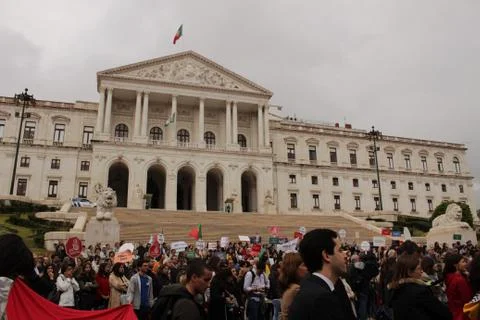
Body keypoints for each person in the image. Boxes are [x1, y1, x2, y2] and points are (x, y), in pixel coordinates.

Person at [289, 228, 347, 320]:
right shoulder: (322, 299)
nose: (345, 254)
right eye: (340, 250)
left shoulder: (309, 287)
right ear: (326, 255)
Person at [389, 253, 451, 320]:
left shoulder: (395, 288)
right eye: (419, 269)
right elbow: (441, 311)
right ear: (409, 272)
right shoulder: (420, 291)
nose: (421, 271)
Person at [279, 252, 308, 320]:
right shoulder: (296, 289)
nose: (307, 269)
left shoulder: (290, 287)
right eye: (304, 265)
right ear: (294, 269)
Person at [444, 254, 472, 320]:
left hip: (454, 311)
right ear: (455, 265)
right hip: (462, 314)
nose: (465, 264)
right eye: (463, 262)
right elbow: (467, 299)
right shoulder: (459, 280)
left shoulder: (449, 276)